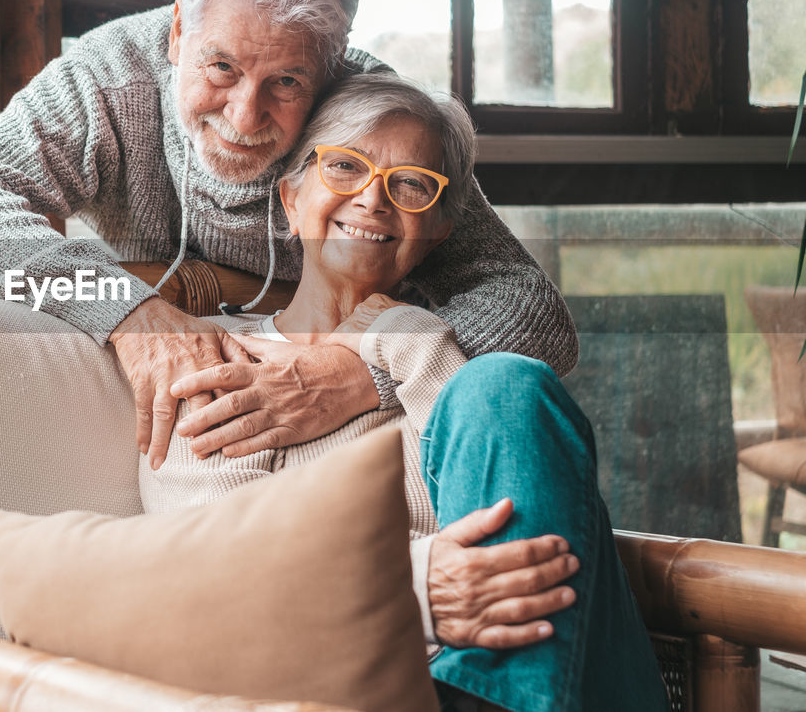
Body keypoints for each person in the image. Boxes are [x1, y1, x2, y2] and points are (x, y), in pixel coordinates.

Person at [0, 0, 578, 472]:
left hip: (378, 437)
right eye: (221, 67)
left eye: (285, 81)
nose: (245, 115)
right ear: (180, 29)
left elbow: (534, 310)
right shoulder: (108, 77)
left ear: (330, 70)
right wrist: (128, 310)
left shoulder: (365, 114)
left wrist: (364, 371)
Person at [142, 72, 669, 712]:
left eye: (411, 184)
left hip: (490, 670)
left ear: (441, 229)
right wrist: (414, 585)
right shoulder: (217, 361)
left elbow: (504, 520)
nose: (372, 199)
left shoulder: (442, 359)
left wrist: (399, 334)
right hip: (360, 679)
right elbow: (222, 570)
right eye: (343, 167)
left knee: (510, 383)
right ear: (289, 198)